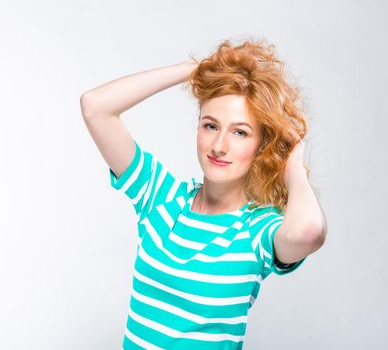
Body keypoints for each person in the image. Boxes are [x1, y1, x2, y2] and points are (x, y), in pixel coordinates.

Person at [80, 37, 327, 350]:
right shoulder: (161, 197)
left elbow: (309, 232)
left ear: (261, 146)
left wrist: (292, 163)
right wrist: (199, 69)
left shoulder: (256, 229)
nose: (220, 145)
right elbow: (95, 107)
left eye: (240, 132)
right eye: (211, 125)